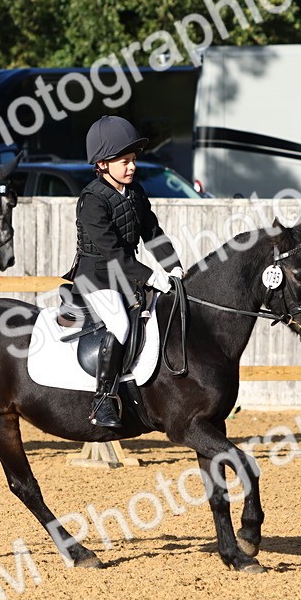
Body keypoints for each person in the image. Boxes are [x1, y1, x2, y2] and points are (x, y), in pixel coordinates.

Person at [63, 115, 183, 428]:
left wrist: (174, 266)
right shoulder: (92, 200)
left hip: (126, 274)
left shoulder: (136, 192)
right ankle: (102, 400)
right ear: (102, 164)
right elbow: (112, 253)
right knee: (118, 321)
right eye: (124, 161)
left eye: (132, 161)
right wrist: (151, 276)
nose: (131, 167)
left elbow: (153, 233)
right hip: (95, 277)